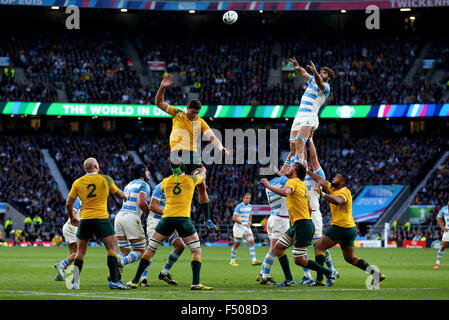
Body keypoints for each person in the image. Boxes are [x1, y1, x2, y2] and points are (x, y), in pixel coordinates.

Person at [155, 73, 229, 232]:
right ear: (187, 108)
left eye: (197, 113)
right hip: (179, 151)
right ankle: (179, 172)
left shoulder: (200, 122)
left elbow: (211, 137)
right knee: (190, 179)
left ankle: (207, 219)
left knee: (202, 184)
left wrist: (221, 147)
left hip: (192, 154)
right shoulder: (178, 113)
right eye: (193, 112)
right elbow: (159, 103)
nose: (194, 115)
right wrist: (162, 87)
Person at [126, 162, 213, 290]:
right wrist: (200, 169)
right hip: (183, 219)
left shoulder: (166, 182)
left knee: (150, 250)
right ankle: (195, 283)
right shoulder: (191, 180)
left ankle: (134, 281)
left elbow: (161, 191)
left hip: (166, 219)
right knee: (196, 250)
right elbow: (202, 177)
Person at [260, 163, 338, 286]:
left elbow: (286, 193)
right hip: (300, 223)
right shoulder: (302, 185)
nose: (288, 168)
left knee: (299, 260)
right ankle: (289, 279)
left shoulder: (292, 182)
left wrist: (268, 185)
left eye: (291, 167)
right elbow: (309, 208)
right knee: (278, 248)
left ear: (295, 171)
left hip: (302, 224)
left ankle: (329, 272)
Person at [307, 170, 386, 286]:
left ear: (343, 182)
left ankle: (320, 280)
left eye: (336, 178)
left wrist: (322, 194)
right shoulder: (334, 189)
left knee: (319, 248)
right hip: (350, 228)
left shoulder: (344, 192)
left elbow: (338, 201)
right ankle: (376, 274)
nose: (333, 178)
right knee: (350, 258)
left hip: (340, 227)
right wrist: (307, 170)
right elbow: (320, 179)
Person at [65, 157, 129, 290]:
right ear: (97, 166)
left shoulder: (78, 182)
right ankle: (114, 281)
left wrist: (72, 217)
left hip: (85, 219)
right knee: (112, 249)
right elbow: (118, 194)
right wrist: (125, 196)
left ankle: (75, 283)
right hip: (101, 218)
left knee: (80, 253)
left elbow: (68, 203)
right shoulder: (105, 179)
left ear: (85, 169)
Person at [299, 136, 337, 286]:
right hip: (301, 216)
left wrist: (310, 139)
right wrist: (300, 149)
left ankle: (331, 271)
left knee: (318, 246)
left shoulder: (318, 177)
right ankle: (308, 275)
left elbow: (313, 157)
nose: (303, 161)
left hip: (313, 214)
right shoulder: (300, 179)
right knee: (299, 247)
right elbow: (304, 156)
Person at [257, 153, 296, 286]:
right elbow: (289, 173)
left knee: (274, 250)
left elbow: (282, 172)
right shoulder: (283, 181)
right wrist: (292, 160)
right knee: (280, 249)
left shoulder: (272, 183)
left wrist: (289, 157)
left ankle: (263, 273)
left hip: (274, 218)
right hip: (281, 220)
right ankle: (266, 275)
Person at [287, 57, 333, 164]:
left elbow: (320, 83)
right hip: (299, 115)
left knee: (300, 140)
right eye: (321, 72)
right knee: (292, 145)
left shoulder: (327, 87)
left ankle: (300, 166)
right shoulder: (312, 79)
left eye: (325, 73)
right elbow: (304, 73)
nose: (322, 74)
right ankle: (298, 164)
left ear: (329, 77)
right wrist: (298, 68)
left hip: (310, 116)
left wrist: (316, 72)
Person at [140, 181, 186, 286]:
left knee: (180, 246)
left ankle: (164, 273)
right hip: (155, 221)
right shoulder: (161, 186)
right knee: (152, 248)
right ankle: (143, 278)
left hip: (169, 221)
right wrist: (168, 214)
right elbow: (152, 206)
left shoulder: (181, 189)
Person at [114, 164, 151, 278]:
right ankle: (121, 263)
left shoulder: (128, 185)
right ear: (142, 173)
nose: (149, 172)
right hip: (131, 217)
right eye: (146, 170)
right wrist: (149, 214)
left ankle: (114, 271)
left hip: (119, 217)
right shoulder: (144, 185)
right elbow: (141, 203)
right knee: (140, 251)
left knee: (124, 251)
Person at [229, 193, 262, 267]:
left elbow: (250, 215)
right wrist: (243, 223)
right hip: (238, 227)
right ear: (243, 198)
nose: (248, 199)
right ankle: (232, 261)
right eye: (246, 198)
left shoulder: (250, 206)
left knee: (252, 241)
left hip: (246, 227)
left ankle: (254, 260)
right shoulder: (239, 207)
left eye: (249, 198)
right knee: (236, 244)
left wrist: (250, 222)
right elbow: (234, 218)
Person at [54, 197, 81, 281]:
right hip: (73, 227)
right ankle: (61, 265)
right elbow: (74, 211)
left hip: (69, 226)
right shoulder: (80, 198)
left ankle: (61, 274)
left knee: (73, 254)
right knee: (78, 253)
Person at [434, 201, 449, 269]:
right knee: (443, 246)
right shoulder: (444, 209)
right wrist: (442, 227)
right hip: (447, 230)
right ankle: (437, 262)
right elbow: (438, 218)